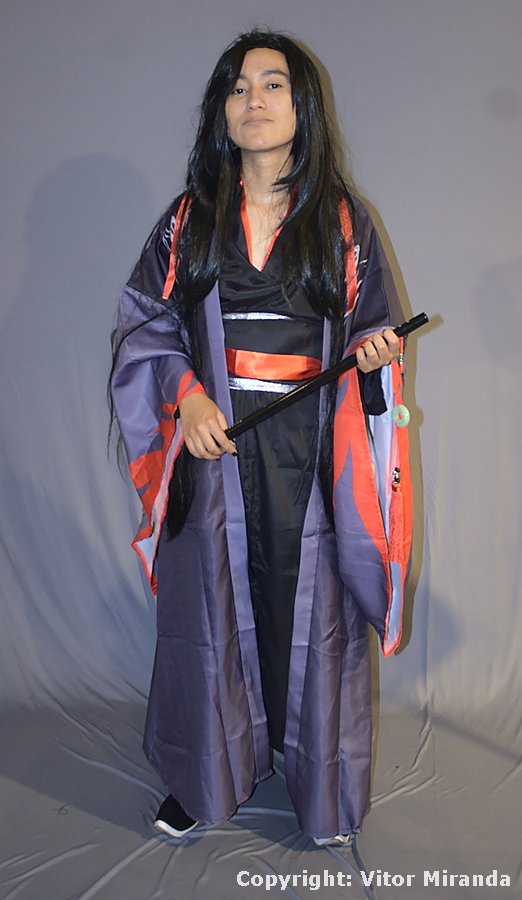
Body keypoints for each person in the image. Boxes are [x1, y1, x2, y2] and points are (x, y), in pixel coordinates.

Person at [110, 29, 412, 846]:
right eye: (238, 87)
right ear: (221, 109)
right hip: (217, 453)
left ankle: (318, 785)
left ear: (302, 105)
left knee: (314, 623)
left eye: (274, 84)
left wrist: (375, 354)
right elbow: (144, 327)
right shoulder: (189, 221)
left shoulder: (344, 222)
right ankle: (202, 777)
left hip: (311, 459)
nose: (255, 100)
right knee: (209, 617)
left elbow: (373, 329)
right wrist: (186, 398)